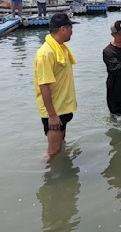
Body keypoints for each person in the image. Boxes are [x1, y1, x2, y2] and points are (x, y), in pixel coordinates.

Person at [33, 13, 78, 156]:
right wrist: (52, 115)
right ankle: (47, 174)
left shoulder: (60, 48)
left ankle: (61, 173)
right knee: (53, 152)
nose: (72, 32)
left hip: (62, 108)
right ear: (63, 29)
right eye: (71, 28)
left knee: (60, 146)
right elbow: (44, 85)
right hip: (54, 112)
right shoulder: (46, 53)